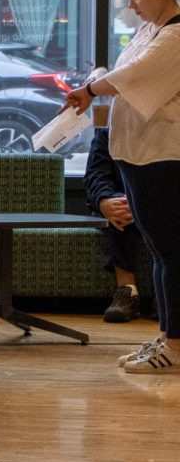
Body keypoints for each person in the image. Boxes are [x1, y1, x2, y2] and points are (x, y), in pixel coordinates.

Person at [64, 0, 180, 374]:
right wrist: (97, 82)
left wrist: (93, 89)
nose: (132, 6)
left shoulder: (175, 34)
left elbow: (132, 77)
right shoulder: (150, 30)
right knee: (161, 252)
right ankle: (167, 336)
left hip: (163, 157)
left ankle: (176, 344)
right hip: (137, 156)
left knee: (171, 253)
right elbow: (115, 72)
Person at [83, 127, 146, 322]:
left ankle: (167, 297)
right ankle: (127, 292)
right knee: (119, 206)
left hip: (162, 203)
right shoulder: (109, 130)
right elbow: (96, 174)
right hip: (122, 204)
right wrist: (104, 202)